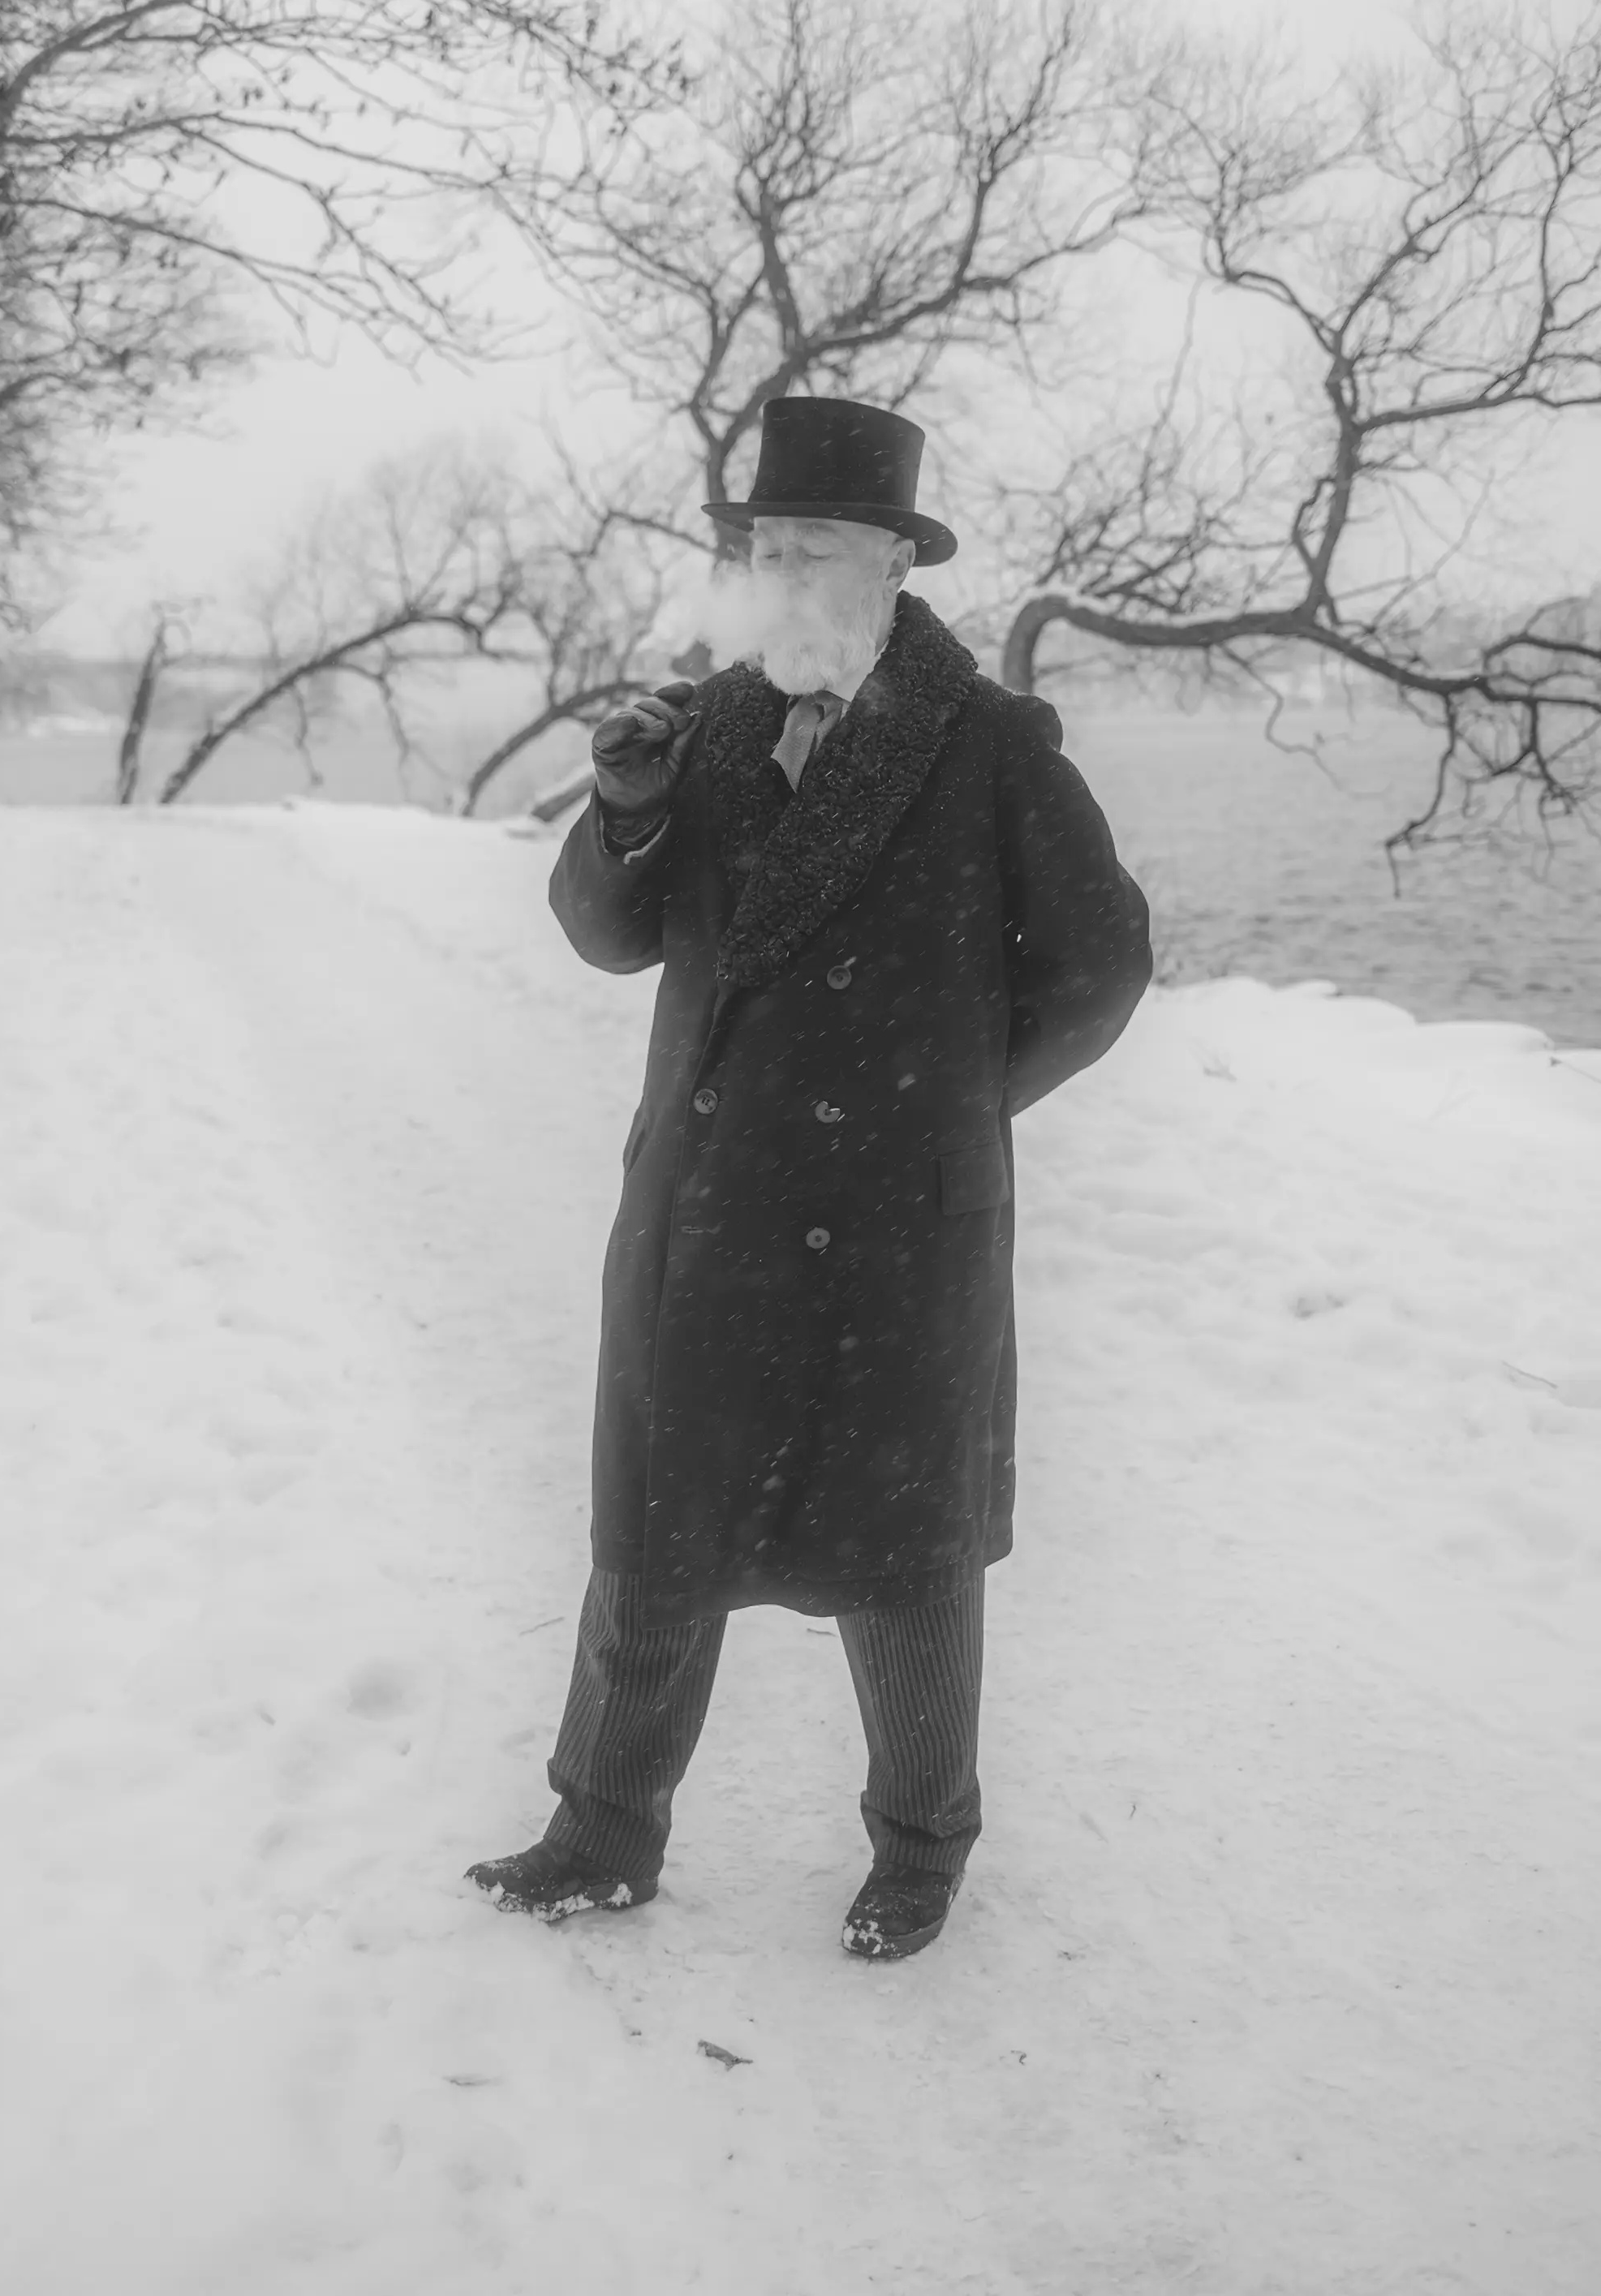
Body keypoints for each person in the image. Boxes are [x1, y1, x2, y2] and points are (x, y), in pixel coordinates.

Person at [467, 397, 1152, 1959]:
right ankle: (601, 1828)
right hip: (708, 1208)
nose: (781, 577)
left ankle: (920, 1851)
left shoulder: (985, 747)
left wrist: (952, 1112)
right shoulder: (700, 729)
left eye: (816, 551)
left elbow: (1106, 966)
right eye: (763, 549)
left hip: (896, 1228)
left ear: (893, 569)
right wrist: (623, 815)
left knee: (900, 1558)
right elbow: (604, 933)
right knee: (655, 1532)